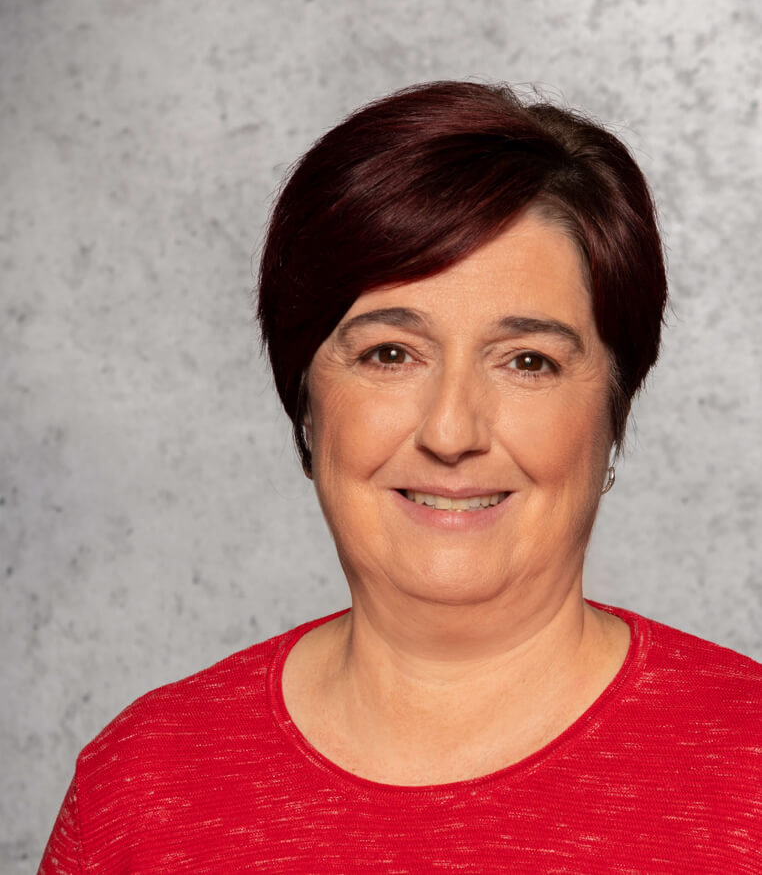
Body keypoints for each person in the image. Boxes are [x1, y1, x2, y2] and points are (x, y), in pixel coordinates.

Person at [39, 81, 761, 873]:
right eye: (390, 354)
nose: (451, 433)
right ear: (306, 402)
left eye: (528, 361)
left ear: (614, 411)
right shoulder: (140, 791)